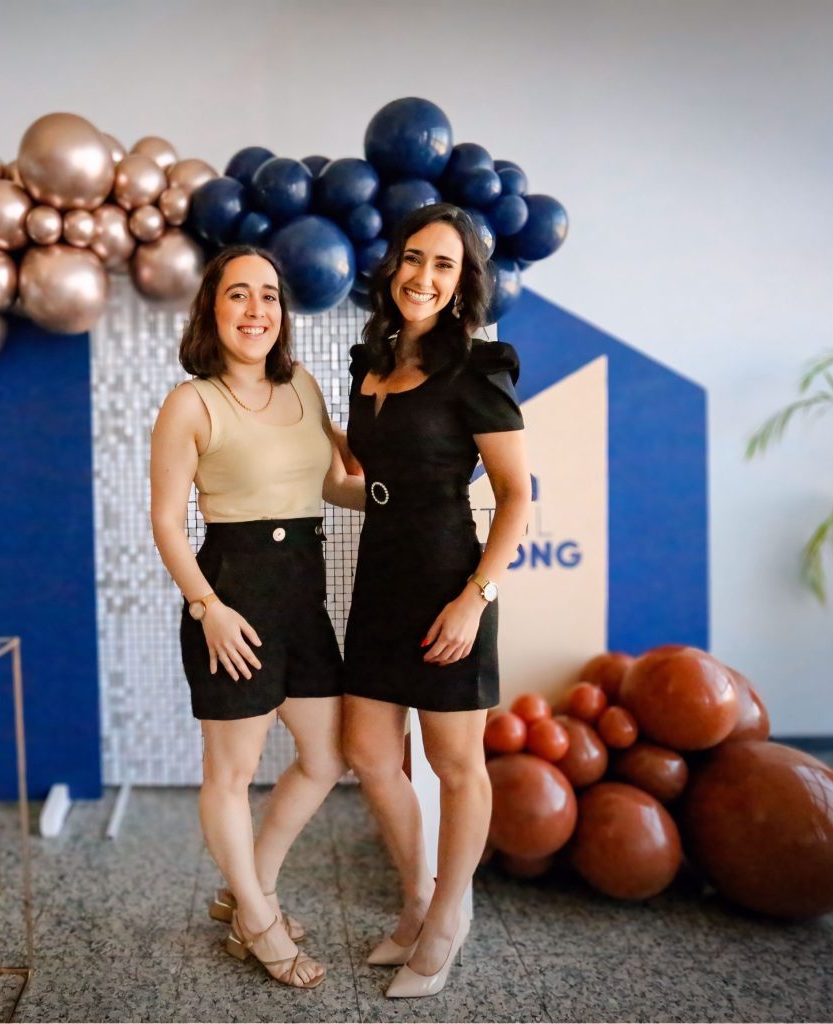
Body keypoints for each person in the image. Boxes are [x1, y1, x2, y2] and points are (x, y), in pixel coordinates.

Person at [149, 245, 365, 989]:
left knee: (326, 757)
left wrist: (401, 493)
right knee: (231, 772)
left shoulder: (302, 384)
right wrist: (206, 608)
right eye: (238, 294)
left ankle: (252, 894)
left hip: (302, 597)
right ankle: (261, 922)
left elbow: (330, 485)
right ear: (212, 309)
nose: (256, 309)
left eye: (268, 295)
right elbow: (167, 524)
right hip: (231, 596)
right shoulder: (190, 403)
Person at [340, 204, 532, 998]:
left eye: (443, 265)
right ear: (394, 266)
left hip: (449, 580)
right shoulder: (370, 362)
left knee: (456, 765)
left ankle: (451, 915)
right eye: (414, 258)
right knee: (368, 755)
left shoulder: (476, 369)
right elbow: (366, 478)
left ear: (462, 284)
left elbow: (517, 497)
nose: (423, 276)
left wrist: (474, 599)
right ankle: (417, 898)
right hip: (379, 578)